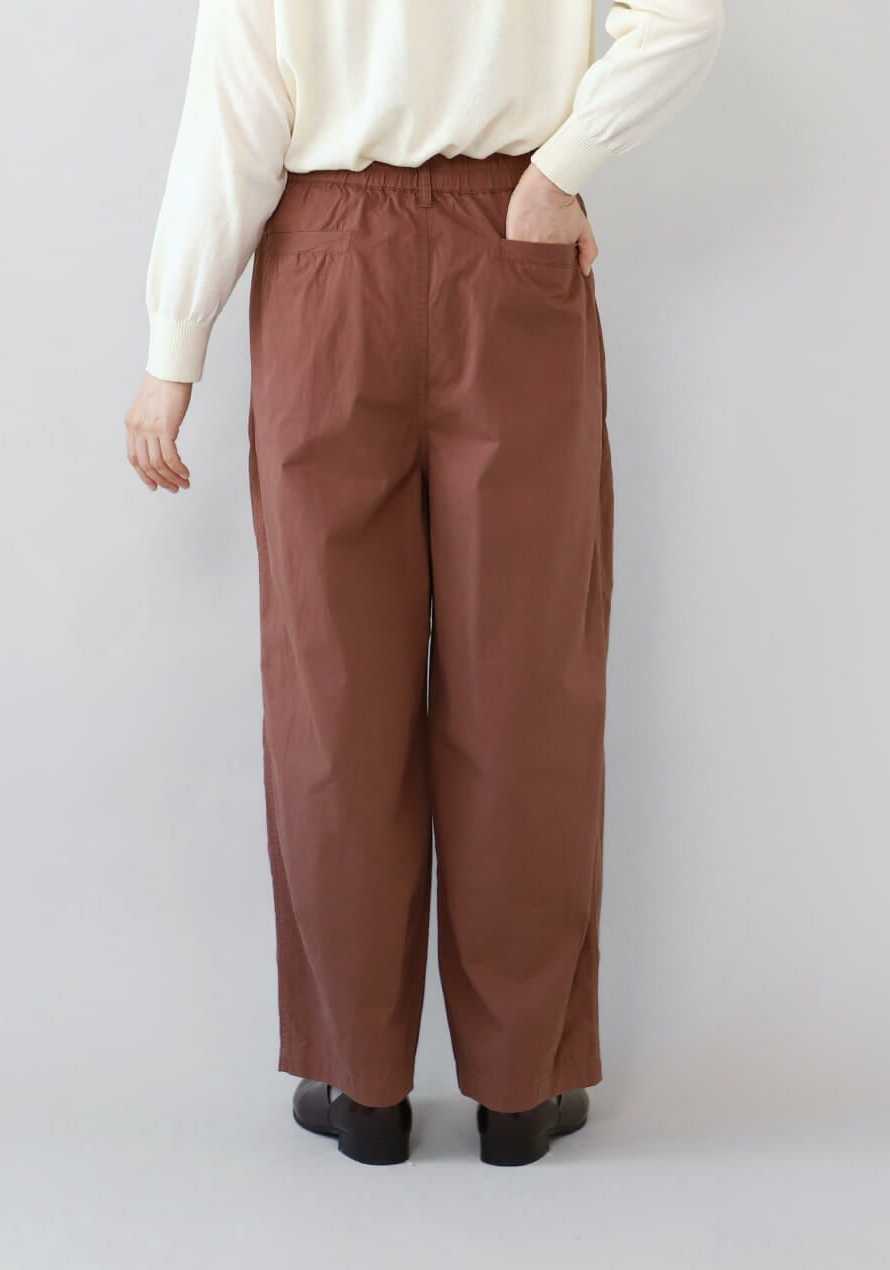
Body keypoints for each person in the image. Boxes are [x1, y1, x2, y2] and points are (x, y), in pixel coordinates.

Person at [124, 0, 724, 1167]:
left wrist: (171, 349)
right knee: (524, 684)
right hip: (511, 248)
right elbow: (685, 14)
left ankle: (362, 1088)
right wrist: (556, 173)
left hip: (329, 265)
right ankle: (518, 1090)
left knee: (332, 692)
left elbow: (231, 122)